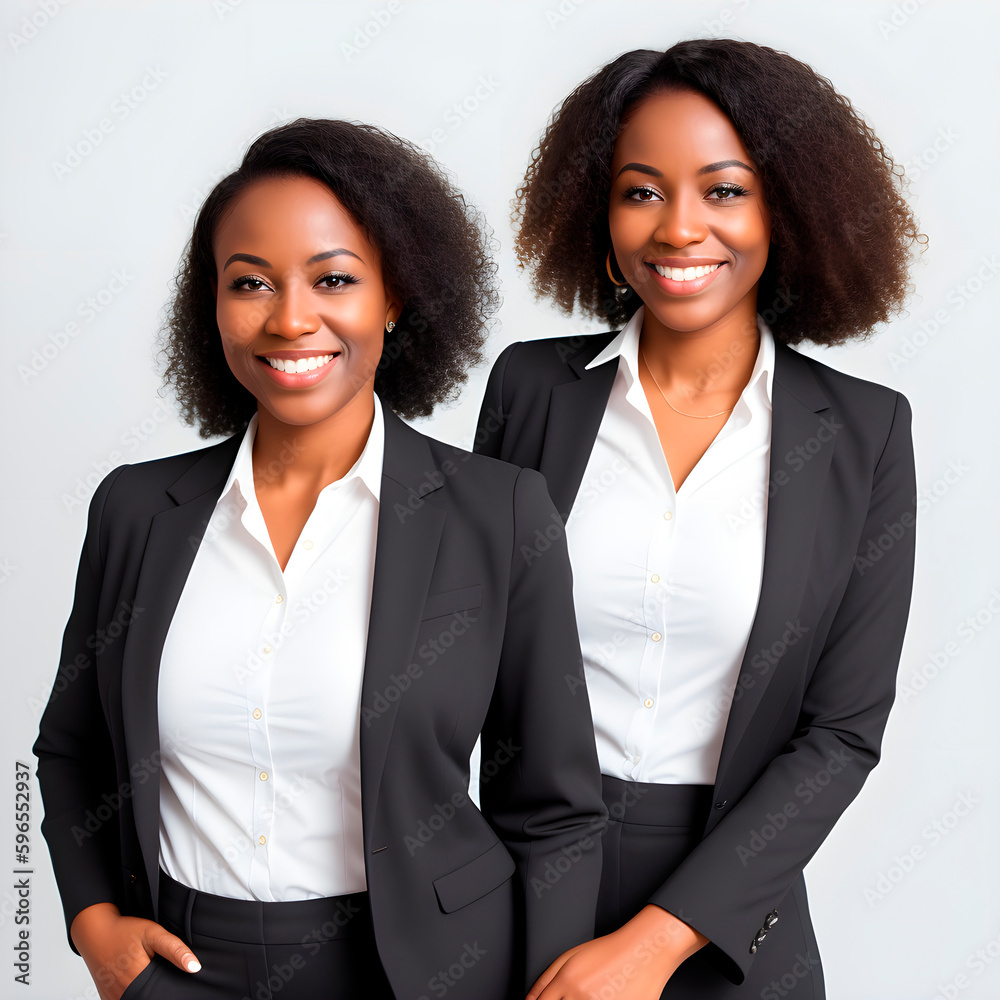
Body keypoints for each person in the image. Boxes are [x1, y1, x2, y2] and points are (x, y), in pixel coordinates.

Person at [34, 118, 606, 1000]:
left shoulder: (501, 514)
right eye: (249, 283)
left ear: (395, 298)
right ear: (213, 305)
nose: (290, 317)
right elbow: (69, 747)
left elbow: (556, 809)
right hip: (181, 969)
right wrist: (87, 924)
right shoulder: (136, 510)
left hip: (427, 972)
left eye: (333, 279)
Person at [476, 39, 922, 999]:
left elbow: (842, 731)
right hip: (517, 893)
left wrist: (653, 946)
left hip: (731, 913)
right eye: (642, 191)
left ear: (785, 210)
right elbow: (450, 658)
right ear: (598, 212)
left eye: (723, 190)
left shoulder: (863, 433)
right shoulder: (531, 393)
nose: (678, 228)